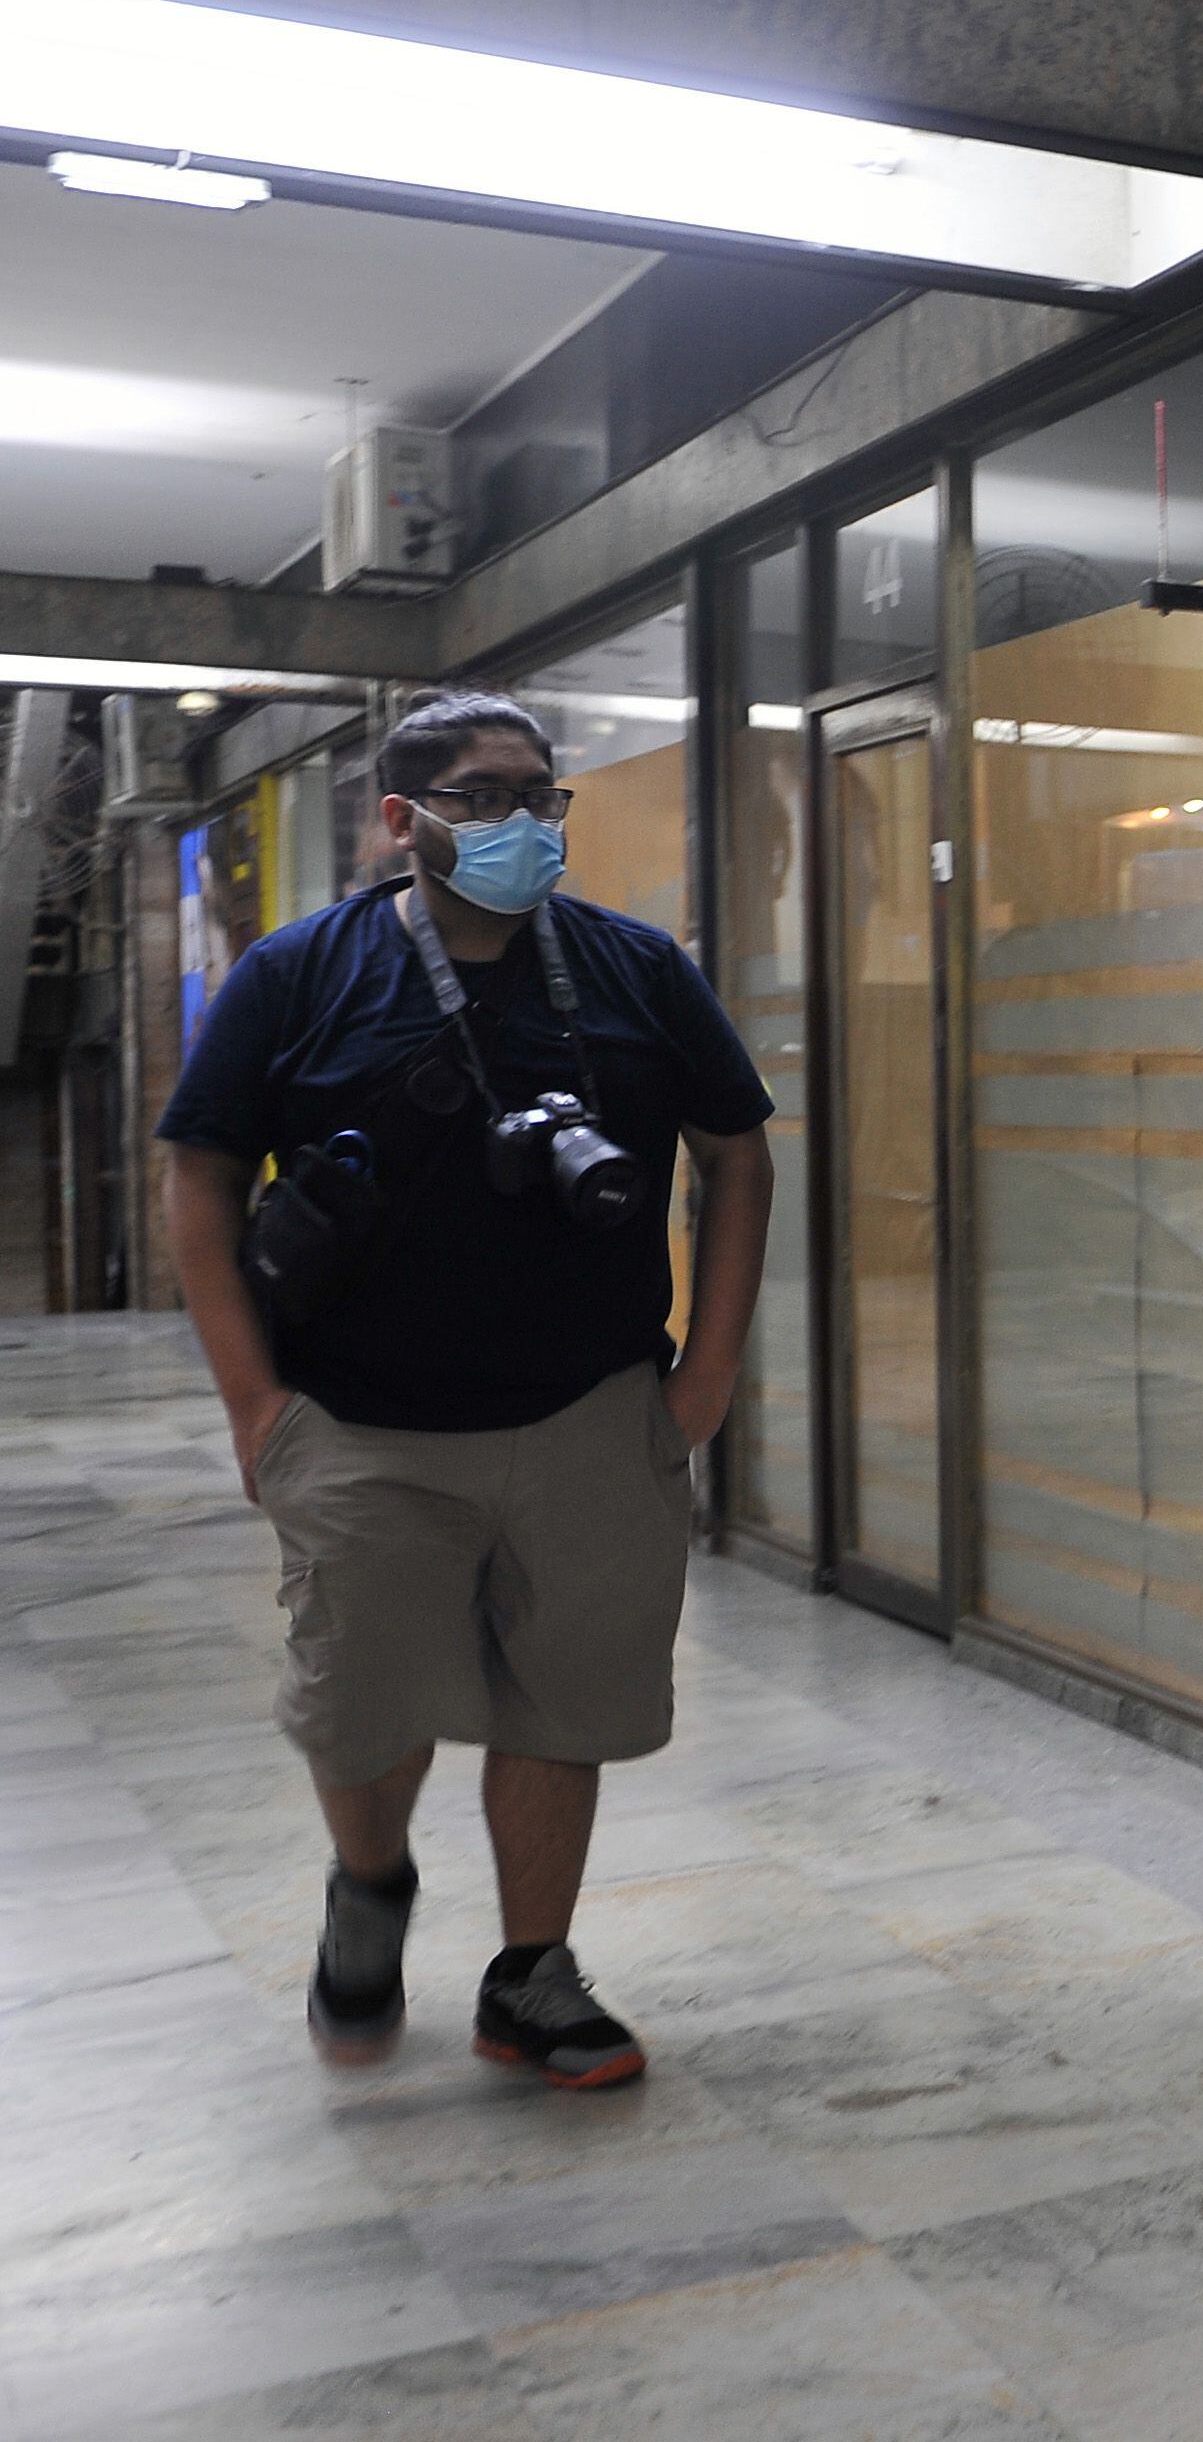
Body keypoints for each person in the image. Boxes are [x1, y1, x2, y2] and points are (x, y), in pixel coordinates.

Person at [159, 689, 775, 2086]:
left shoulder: (634, 969)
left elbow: (738, 1154)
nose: (520, 823)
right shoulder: (301, 974)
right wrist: (256, 1404)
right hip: (362, 1424)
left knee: (564, 1707)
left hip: (590, 1418)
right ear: (402, 819)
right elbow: (198, 1179)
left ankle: (531, 1976)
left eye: (539, 797)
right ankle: (368, 1885)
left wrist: (709, 1368)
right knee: (365, 1714)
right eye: (483, 796)